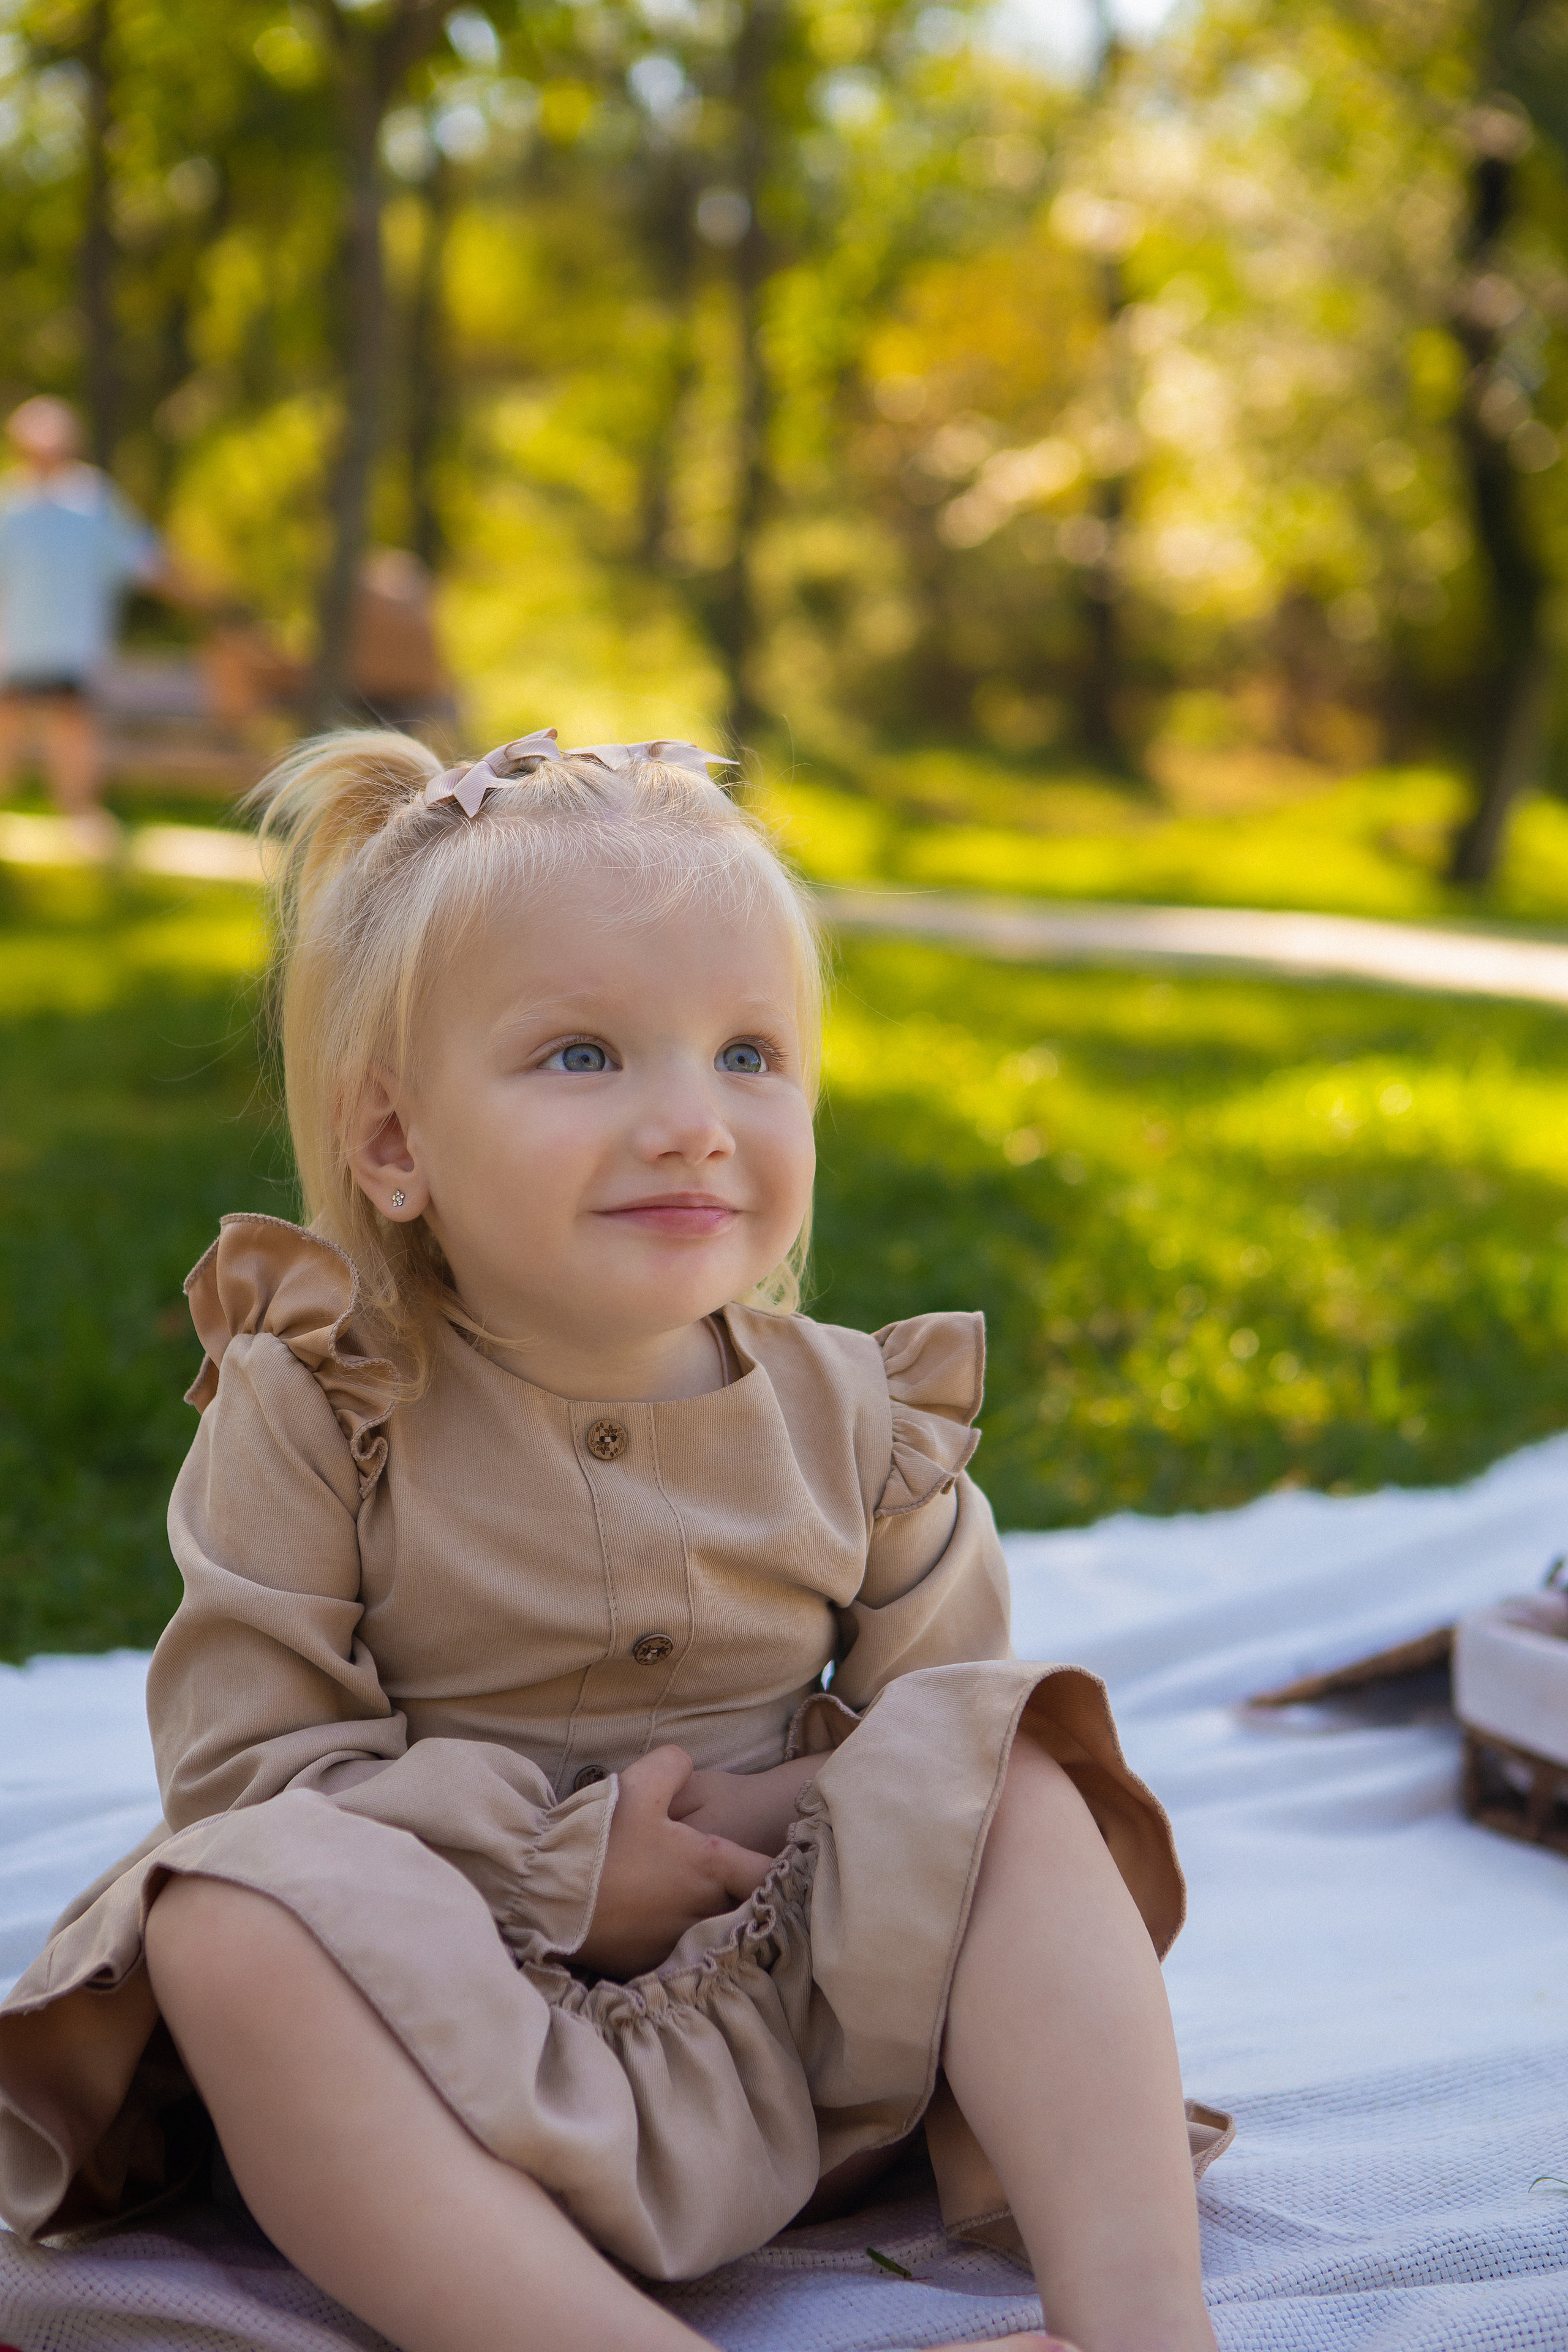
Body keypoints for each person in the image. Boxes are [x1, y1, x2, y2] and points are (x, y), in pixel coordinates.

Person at [0, 726, 1229, 2352]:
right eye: (584, 1056)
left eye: (748, 1055)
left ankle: (1135, 2325)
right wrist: (555, 1871)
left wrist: (730, 1832)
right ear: (395, 1143)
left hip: (804, 2027)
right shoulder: (320, 1408)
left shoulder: (866, 1418)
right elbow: (249, 1781)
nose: (693, 1122)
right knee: (222, 1918)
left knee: (1016, 1775)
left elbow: (938, 1741)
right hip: (450, 2030)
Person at [0, 397, 166, 832]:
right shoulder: (9, 504)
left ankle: (79, 811)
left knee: (72, 723)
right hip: (14, 644)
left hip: (73, 642)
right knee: (7, 723)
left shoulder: (94, 499)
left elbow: (144, 560)